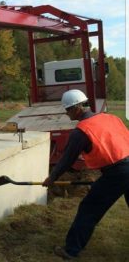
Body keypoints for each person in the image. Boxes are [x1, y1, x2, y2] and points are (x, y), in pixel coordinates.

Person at [42, 89, 129, 260]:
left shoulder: (81, 131)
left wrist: (51, 178)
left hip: (118, 173)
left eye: (67, 110)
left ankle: (70, 250)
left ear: (77, 108)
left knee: (89, 209)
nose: (66, 114)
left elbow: (67, 160)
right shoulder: (111, 118)